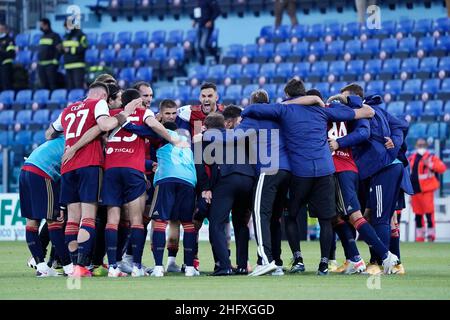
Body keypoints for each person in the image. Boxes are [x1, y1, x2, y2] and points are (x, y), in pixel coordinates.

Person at [241, 78, 375, 275]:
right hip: (325, 170)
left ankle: (298, 259)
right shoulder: (322, 110)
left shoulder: (284, 109)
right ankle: (323, 264)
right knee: (327, 219)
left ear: (287, 95)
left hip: (300, 172)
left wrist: (288, 103)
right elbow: (367, 112)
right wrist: (317, 99)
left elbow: (252, 110)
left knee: (291, 215)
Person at [46, 81, 140, 277]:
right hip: (89, 164)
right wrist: (126, 113)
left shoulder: (68, 109)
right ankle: (81, 265)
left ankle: (72, 267)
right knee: (88, 217)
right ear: (103, 97)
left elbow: (50, 133)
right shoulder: (98, 104)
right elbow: (105, 124)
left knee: (72, 218)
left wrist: (70, 143)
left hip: (67, 166)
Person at [198, 108, 255, 276]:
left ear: (206, 126)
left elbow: (200, 166)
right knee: (241, 224)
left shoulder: (205, 138)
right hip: (247, 179)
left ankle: (225, 266)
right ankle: (243, 265)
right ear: (224, 124)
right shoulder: (237, 135)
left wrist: (205, 188)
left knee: (216, 224)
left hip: (226, 180)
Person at [408, 138, 447, 242]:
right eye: (419, 145)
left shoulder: (431, 157)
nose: (421, 147)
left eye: (422, 145)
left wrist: (430, 164)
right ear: (416, 146)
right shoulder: (412, 158)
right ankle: (419, 237)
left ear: (426, 146)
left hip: (427, 190)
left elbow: (442, 168)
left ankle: (431, 237)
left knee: (429, 214)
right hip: (415, 191)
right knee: (418, 215)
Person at [192, 0, 221, 64]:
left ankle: (216, 55)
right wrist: (194, 20)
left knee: (203, 45)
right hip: (199, 25)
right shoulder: (198, 2)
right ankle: (202, 62)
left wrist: (211, 21)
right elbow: (197, 13)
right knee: (197, 46)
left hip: (207, 26)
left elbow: (217, 11)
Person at [62, 19, 88, 89]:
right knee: (70, 88)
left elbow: (84, 47)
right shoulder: (65, 36)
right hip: (67, 65)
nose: (66, 28)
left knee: (78, 87)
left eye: (67, 26)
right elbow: (64, 49)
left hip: (78, 65)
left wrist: (70, 49)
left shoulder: (81, 35)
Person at [37, 18, 62, 90]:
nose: (40, 27)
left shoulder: (55, 36)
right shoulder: (42, 37)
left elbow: (59, 50)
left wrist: (55, 61)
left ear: (47, 25)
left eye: (42, 25)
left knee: (52, 85)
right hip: (41, 65)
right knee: (43, 85)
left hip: (51, 65)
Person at [0, 23, 16, 91]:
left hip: (5, 66)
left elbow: (11, 54)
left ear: (4, 29)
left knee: (6, 85)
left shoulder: (9, 40)